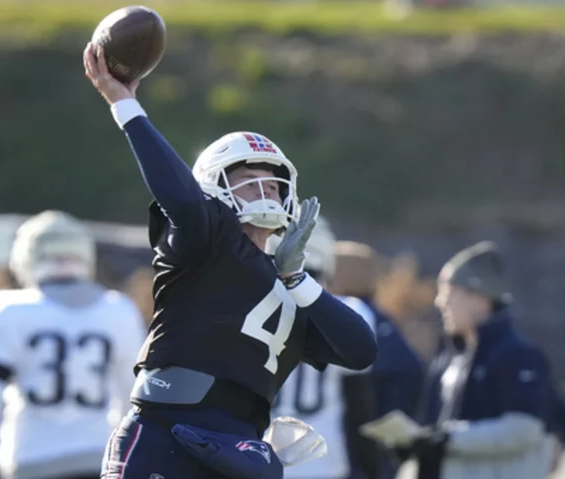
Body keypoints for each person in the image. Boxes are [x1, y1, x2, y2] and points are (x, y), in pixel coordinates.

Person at [83, 43, 378, 479]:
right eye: (246, 180)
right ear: (213, 188)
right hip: (165, 434)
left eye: (272, 184)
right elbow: (181, 197)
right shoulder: (207, 239)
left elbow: (361, 350)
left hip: (237, 453)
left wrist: (296, 279)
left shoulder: (291, 284)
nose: (264, 192)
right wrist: (125, 104)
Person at [0, 211, 146, 479]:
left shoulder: (6, 309)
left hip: (30, 459)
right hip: (98, 458)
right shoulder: (119, 310)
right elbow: (131, 402)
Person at [271, 223, 422, 479]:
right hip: (323, 461)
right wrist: (371, 467)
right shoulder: (352, 310)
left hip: (263, 459)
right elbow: (359, 404)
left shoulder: (254, 307)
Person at [394, 241, 553, 479]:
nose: (440, 302)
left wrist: (447, 438)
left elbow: (524, 430)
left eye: (449, 292)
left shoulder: (517, 354)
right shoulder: (448, 356)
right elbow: (436, 432)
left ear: (480, 297)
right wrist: (416, 444)